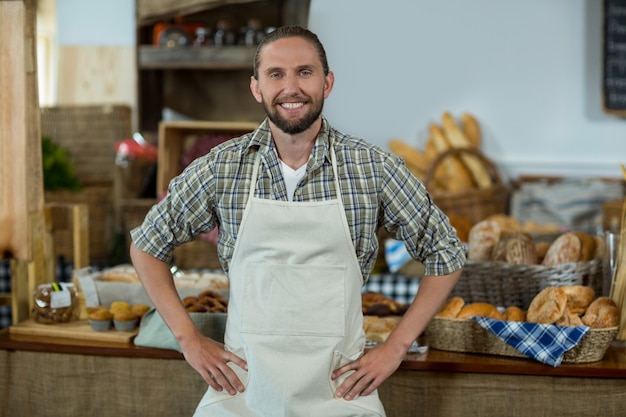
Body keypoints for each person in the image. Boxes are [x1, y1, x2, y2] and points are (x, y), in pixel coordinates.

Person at [130, 25, 465, 417]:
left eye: (305, 72)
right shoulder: (222, 167)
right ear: (257, 88)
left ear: (328, 82)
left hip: (341, 395)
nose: (291, 87)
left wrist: (394, 347)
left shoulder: (374, 168)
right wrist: (189, 339)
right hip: (243, 392)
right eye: (276, 74)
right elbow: (147, 245)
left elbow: (446, 252)